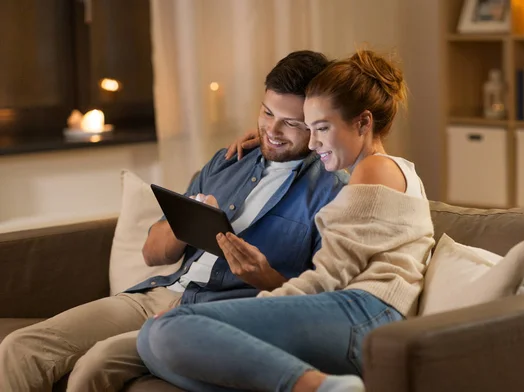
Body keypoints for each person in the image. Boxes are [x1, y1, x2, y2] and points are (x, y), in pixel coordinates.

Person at [0, 50, 348, 392]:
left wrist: (265, 277)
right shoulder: (230, 160)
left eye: (291, 123)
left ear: (318, 122)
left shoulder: (332, 193)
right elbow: (153, 254)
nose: (272, 130)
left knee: (94, 366)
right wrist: (189, 221)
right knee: (20, 347)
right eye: (267, 112)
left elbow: (320, 303)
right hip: (162, 292)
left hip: (221, 314)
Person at [136, 49, 435, 392]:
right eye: (307, 128)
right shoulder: (393, 170)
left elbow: (329, 278)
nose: (313, 142)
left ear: (364, 123)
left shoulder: (373, 169)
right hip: (353, 317)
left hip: (362, 314)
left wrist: (242, 313)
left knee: (165, 330)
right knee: (153, 346)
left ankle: (324, 389)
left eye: (321, 128)